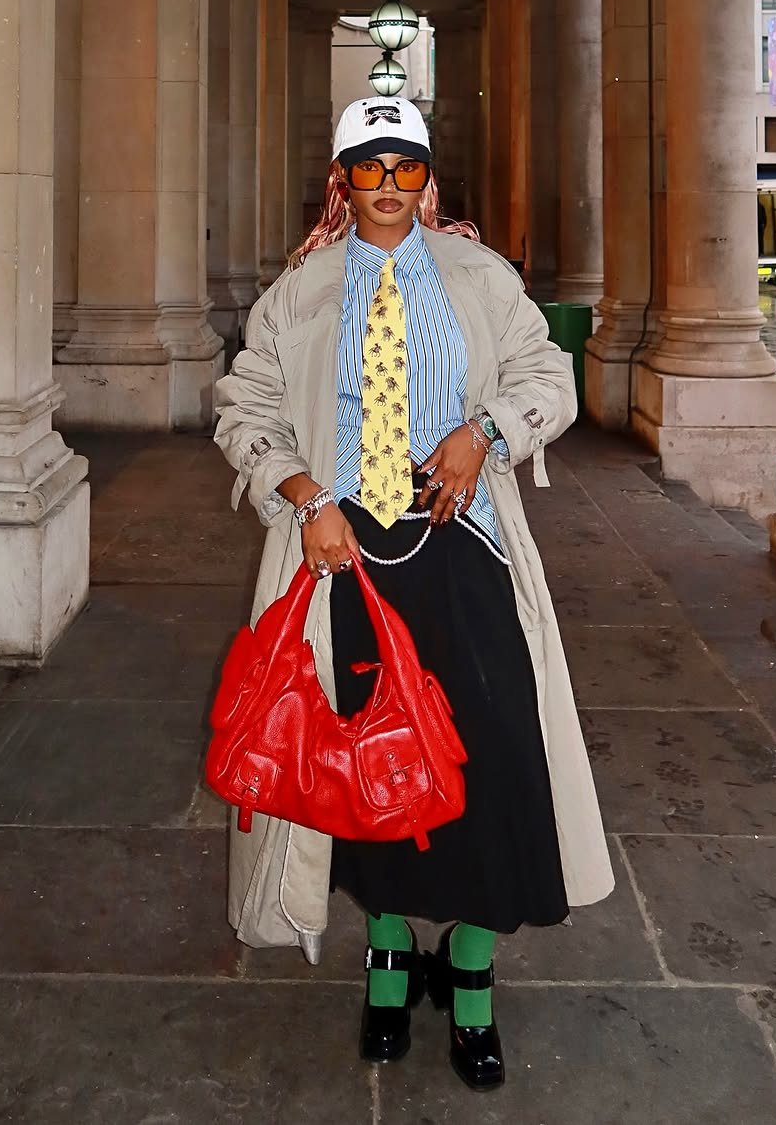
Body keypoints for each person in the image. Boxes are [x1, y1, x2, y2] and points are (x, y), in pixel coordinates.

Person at [213, 96, 614, 1091]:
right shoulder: (299, 292)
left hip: (462, 547)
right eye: (367, 165)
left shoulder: (481, 278)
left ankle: (469, 965)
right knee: (352, 762)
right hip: (341, 557)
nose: (387, 184)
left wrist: (485, 432)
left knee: (494, 758)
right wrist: (302, 493)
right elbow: (246, 404)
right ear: (340, 179)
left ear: (428, 178)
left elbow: (546, 376)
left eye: (405, 165)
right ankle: (389, 949)